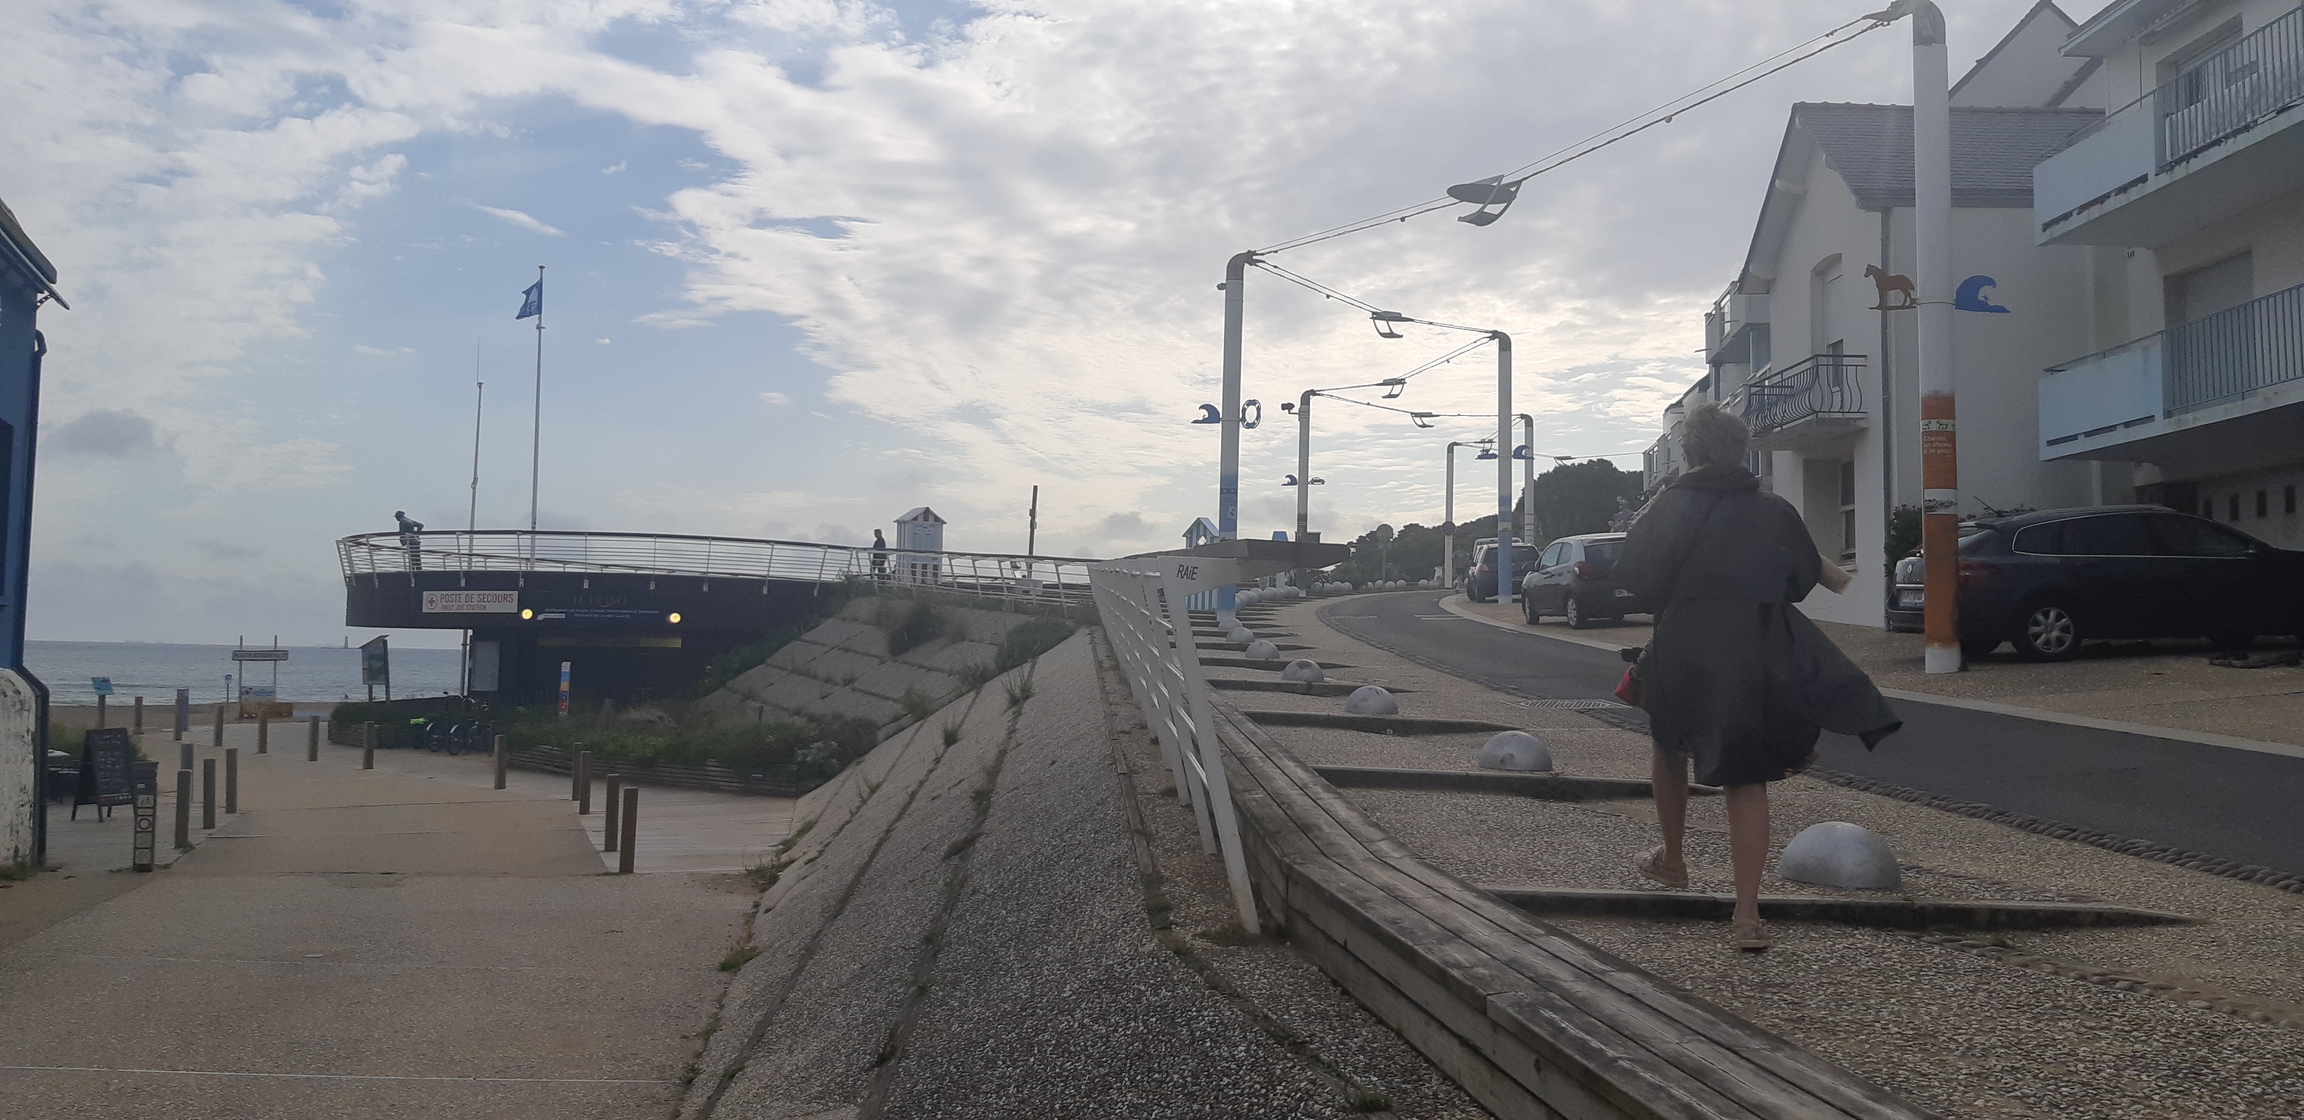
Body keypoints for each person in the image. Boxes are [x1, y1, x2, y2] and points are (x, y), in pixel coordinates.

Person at [1614, 403, 1901, 951]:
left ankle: (1673, 859)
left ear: (1688, 453)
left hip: (1684, 643)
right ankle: (1747, 916)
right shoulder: (1773, 509)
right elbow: (1799, 580)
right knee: (1746, 775)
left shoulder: (1670, 505)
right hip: (1755, 648)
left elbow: (1639, 577)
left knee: (1668, 746)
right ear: (1740, 452)